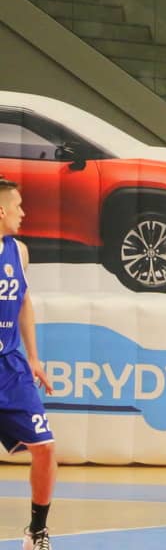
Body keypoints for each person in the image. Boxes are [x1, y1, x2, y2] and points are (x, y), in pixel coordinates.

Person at [0, 179, 57, 550]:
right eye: (18, 206)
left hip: (10, 367)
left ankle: (37, 531)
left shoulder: (18, 252)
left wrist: (33, 358)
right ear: (1, 211)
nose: (23, 213)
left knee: (45, 447)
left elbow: (23, 301)